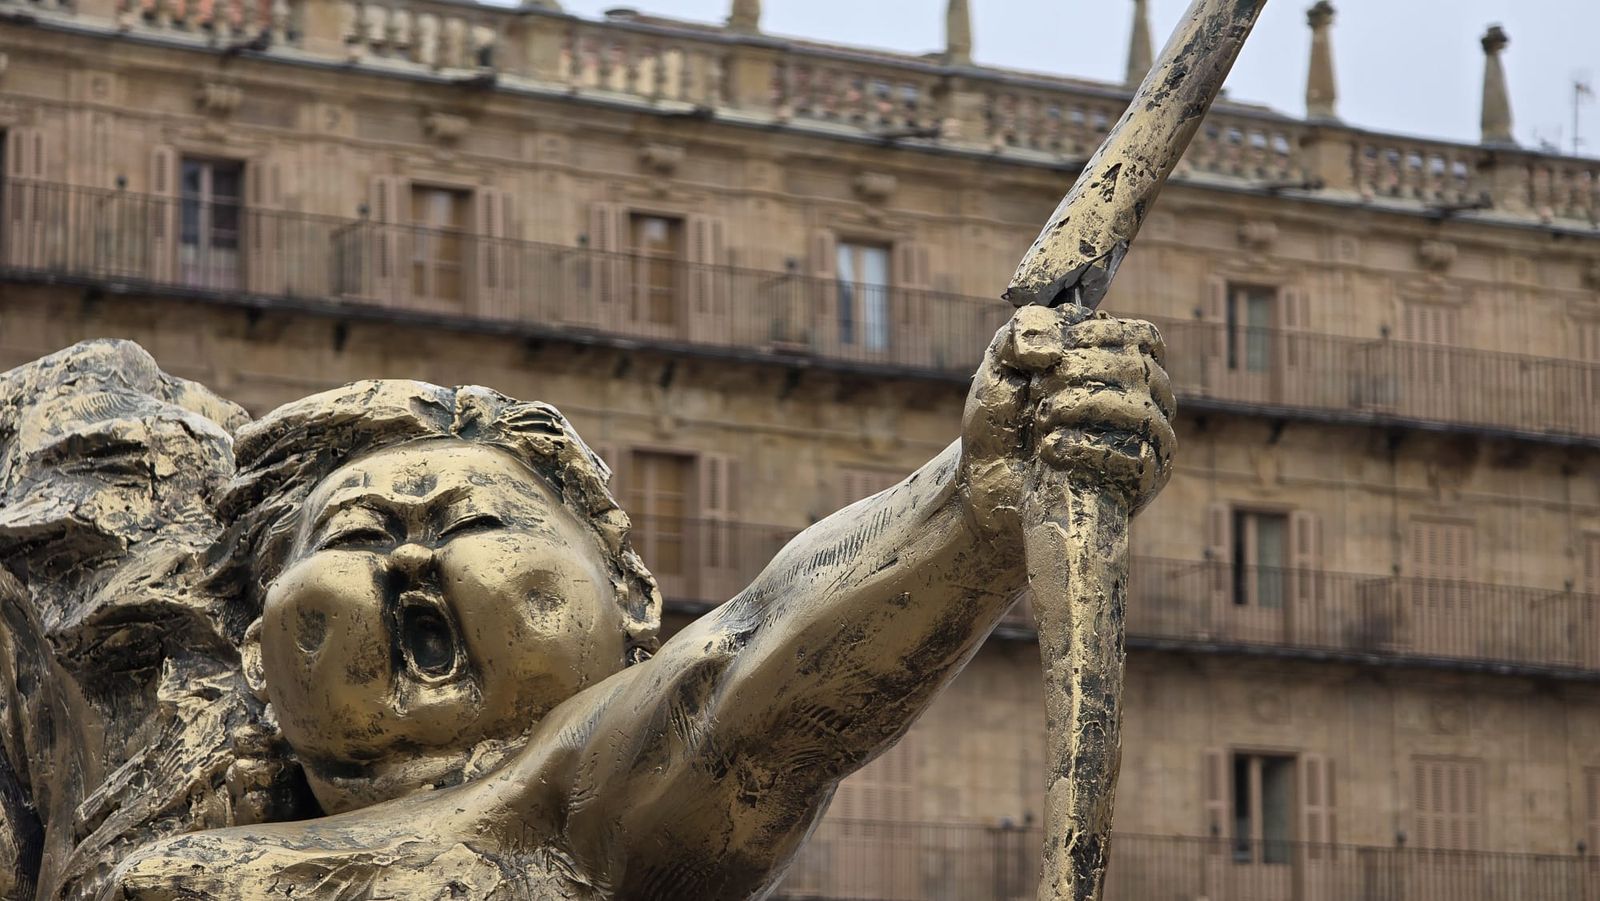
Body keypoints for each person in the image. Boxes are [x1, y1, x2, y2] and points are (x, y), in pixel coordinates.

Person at [1, 305, 1173, 900]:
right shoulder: (155, 841)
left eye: (472, 519)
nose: (412, 556)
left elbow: (745, 670)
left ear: (631, 607)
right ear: (256, 656)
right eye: (356, 534)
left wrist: (966, 507)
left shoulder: (579, 801)